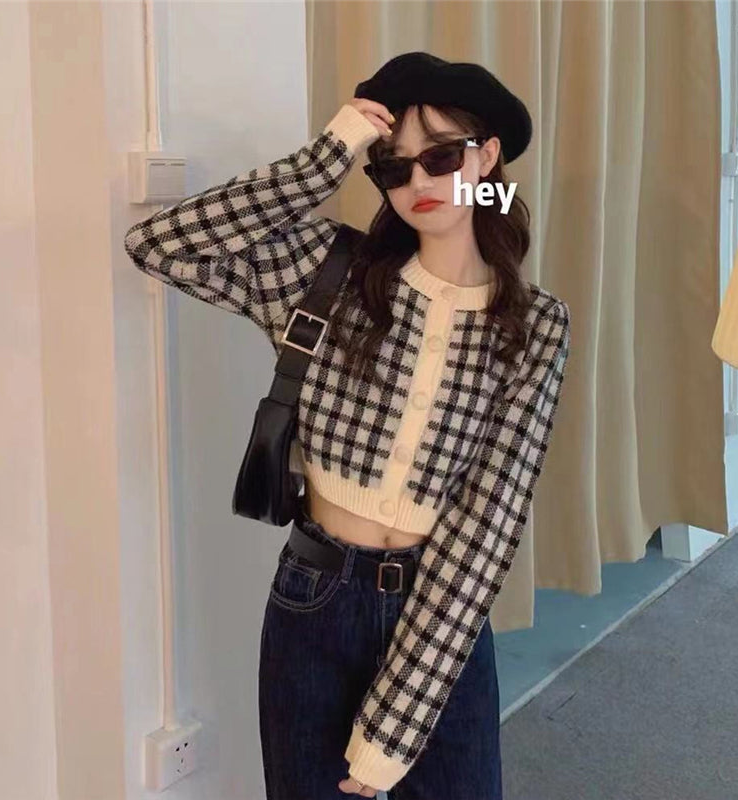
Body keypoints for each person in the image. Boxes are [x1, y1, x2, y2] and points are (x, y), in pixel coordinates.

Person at [124, 51, 570, 800]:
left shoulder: (534, 325)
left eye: (441, 156)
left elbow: (489, 522)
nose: (419, 182)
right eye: (393, 168)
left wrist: (396, 724)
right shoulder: (328, 275)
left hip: (441, 615)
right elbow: (158, 244)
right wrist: (323, 159)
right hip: (315, 600)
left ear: (488, 157)